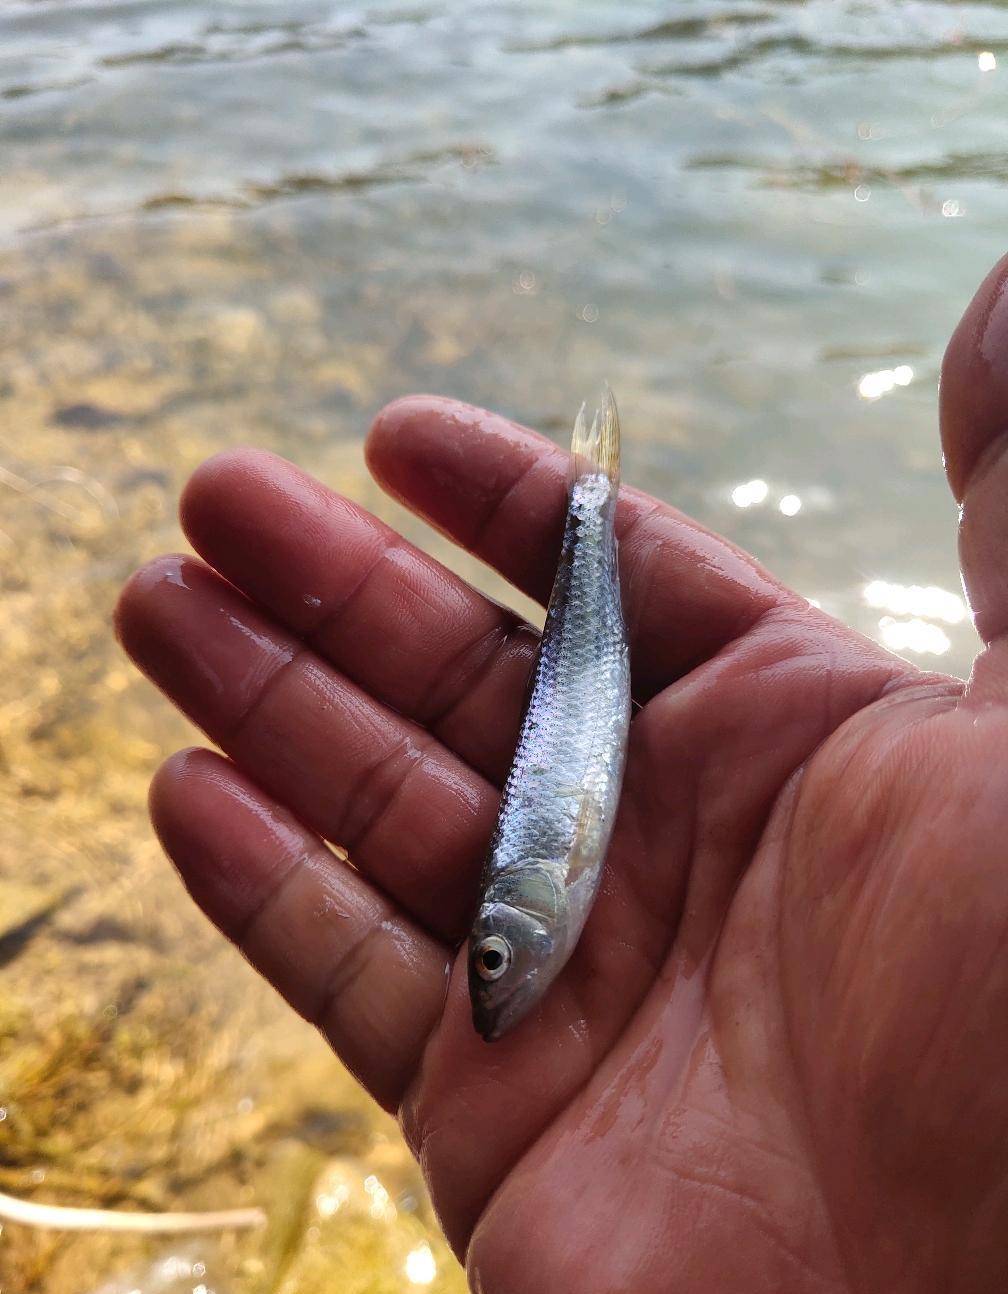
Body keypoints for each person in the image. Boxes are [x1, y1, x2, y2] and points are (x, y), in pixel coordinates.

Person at [115, 255, 1008, 1293]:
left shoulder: (542, 897)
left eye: (494, 956)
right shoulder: (550, 914)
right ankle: (595, 493)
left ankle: (593, 497)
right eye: (490, 962)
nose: (499, 976)